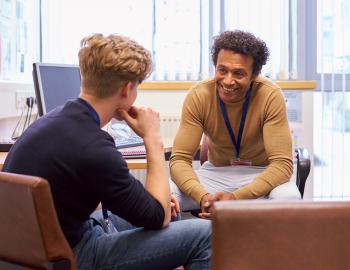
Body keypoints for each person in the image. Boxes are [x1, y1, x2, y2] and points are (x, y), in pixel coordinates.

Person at [3, 33, 211, 269]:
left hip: (35, 249)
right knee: (206, 233)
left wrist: (155, 204)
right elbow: (158, 217)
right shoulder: (95, 147)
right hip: (72, 255)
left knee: (168, 211)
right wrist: (152, 138)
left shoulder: (51, 121)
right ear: (127, 89)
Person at [170, 30, 300, 218]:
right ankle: (185, 244)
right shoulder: (199, 95)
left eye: (238, 73)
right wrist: (203, 198)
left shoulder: (270, 95)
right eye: (222, 70)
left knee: (289, 199)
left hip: (261, 173)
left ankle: (267, 248)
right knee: (165, 193)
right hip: (216, 174)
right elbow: (179, 159)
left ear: (254, 74)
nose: (228, 80)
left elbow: (281, 165)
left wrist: (236, 198)